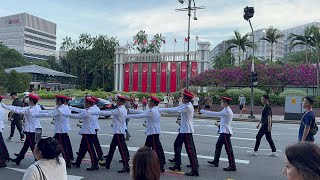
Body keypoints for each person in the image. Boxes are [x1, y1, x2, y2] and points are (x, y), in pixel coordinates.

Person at [160, 89, 199, 176]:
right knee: (177, 145)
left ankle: (194, 169)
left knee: (190, 150)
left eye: (183, 98)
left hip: (186, 130)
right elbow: (177, 109)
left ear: (187, 99)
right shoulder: (186, 105)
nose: (182, 99)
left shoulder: (187, 106)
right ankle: (177, 164)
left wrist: (161, 110)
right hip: (184, 129)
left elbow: (175, 110)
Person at [32, 95, 74, 168]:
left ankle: (67, 161)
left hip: (60, 130)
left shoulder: (60, 109)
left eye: (57, 100)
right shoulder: (65, 107)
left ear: (60, 101)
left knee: (62, 146)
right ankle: (67, 159)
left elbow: (49, 114)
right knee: (64, 145)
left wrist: (36, 115)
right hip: (62, 129)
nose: (55, 101)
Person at [91, 95, 130, 173]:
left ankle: (126, 166)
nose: (116, 102)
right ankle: (107, 163)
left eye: (118, 101)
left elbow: (109, 112)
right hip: (118, 131)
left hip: (118, 132)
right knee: (112, 148)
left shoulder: (119, 110)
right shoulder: (123, 109)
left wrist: (93, 112)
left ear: (121, 102)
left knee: (122, 150)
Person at [127, 96, 166, 172]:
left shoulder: (152, 111)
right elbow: (142, 112)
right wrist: (130, 110)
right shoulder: (155, 109)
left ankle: (160, 166)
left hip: (153, 132)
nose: (148, 103)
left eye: (149, 102)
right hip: (153, 132)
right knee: (147, 148)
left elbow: (139, 116)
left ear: (153, 103)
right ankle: (143, 161)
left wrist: (126, 116)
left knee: (155, 150)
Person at [1, 94, 42, 166]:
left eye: (29, 99)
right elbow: (19, 108)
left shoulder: (30, 110)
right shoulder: (36, 107)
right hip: (38, 129)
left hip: (31, 131)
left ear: (31, 101)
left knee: (33, 146)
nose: (27, 100)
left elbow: (18, 110)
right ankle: (19, 158)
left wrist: (5, 106)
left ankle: (39, 160)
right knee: (27, 145)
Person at [200, 96, 236, 171]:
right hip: (224, 131)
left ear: (226, 103)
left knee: (228, 149)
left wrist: (204, 111)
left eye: (222, 102)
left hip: (225, 132)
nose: (221, 103)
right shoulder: (226, 109)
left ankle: (232, 165)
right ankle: (216, 161)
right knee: (218, 146)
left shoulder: (227, 111)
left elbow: (215, 114)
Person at [62, 97, 99, 171]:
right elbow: (81, 110)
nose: (84, 104)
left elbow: (77, 116)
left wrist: (65, 114)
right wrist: (71, 108)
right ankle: (78, 162)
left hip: (87, 132)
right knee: (82, 148)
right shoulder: (93, 109)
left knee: (90, 149)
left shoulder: (87, 111)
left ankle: (95, 164)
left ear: (88, 104)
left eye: (85, 103)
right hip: (89, 131)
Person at [90, 96, 104, 161]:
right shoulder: (97, 108)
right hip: (94, 126)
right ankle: (81, 153)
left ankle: (100, 154)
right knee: (86, 142)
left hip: (92, 127)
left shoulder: (93, 109)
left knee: (94, 142)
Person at [0, 96, 10, 168]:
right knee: (1, 143)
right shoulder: (1, 108)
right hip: (0, 126)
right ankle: (6, 156)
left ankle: (2, 161)